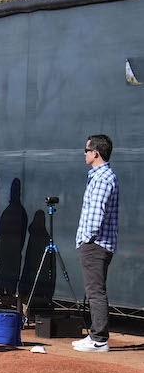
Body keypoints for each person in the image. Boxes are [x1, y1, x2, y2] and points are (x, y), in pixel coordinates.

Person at [72, 134, 119, 353]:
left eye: (86, 150)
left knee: (95, 291)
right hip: (98, 243)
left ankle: (99, 339)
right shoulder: (101, 176)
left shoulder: (102, 178)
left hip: (96, 244)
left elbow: (96, 213)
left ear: (95, 153)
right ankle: (96, 336)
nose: (84, 153)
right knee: (94, 290)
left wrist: (87, 238)